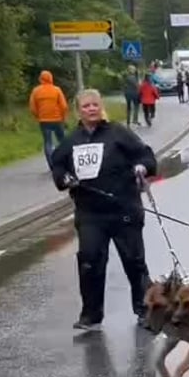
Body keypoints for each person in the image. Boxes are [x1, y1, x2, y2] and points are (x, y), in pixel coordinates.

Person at [50, 89, 158, 332]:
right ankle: (91, 315)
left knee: (134, 261)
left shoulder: (118, 133)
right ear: (79, 110)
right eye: (86, 106)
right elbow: (57, 166)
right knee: (89, 262)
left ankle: (144, 310)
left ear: (101, 107)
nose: (91, 109)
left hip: (124, 209)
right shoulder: (72, 141)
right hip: (90, 214)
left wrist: (142, 167)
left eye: (95, 105)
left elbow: (146, 155)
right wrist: (65, 177)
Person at [28, 70, 69, 166]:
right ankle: (66, 160)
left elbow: (32, 107)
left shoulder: (36, 91)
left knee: (48, 142)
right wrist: (63, 118)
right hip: (57, 119)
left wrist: (38, 116)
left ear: (40, 79)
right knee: (62, 140)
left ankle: (52, 164)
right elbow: (64, 106)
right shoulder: (56, 90)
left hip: (44, 120)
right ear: (51, 78)